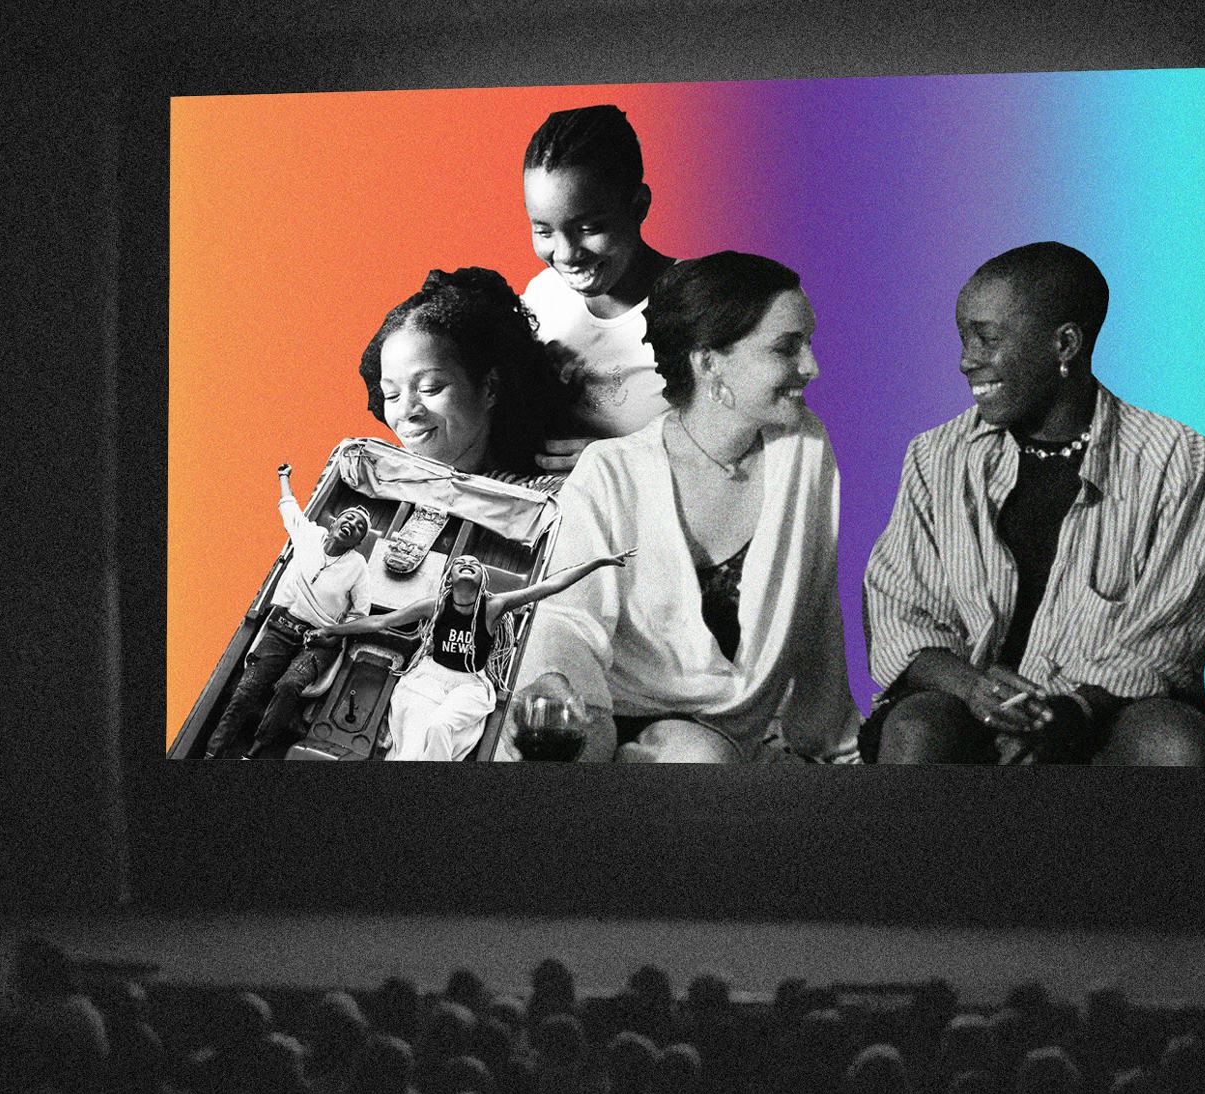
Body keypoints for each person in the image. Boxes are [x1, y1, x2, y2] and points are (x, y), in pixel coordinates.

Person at [861, 241, 1205, 765]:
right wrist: (975, 690)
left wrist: (1070, 712)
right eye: (964, 339)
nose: (967, 361)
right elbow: (902, 614)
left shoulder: (1176, 459)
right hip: (967, 709)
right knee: (918, 728)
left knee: (1171, 743)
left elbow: (1164, 633)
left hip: (1106, 713)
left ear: (1065, 344)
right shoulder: (935, 456)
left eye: (986, 338)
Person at [504, 251, 861, 763]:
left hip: (733, 738)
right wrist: (565, 702)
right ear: (708, 361)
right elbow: (566, 621)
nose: (811, 367)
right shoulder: (610, 471)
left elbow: (818, 600)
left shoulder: (804, 447)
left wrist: (834, 739)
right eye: (787, 347)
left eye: (808, 343)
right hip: (605, 717)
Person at [311, 548, 632, 761]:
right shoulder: (433, 606)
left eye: (474, 565)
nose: (467, 564)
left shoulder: (493, 607)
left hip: (470, 686)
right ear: (449, 577)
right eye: (460, 563)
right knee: (408, 751)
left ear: (483, 579)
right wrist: (332, 630)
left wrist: (598, 563)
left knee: (439, 728)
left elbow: (548, 587)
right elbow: (382, 621)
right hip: (427, 680)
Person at [521, 105, 679, 466]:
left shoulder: (707, 303)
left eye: (589, 228)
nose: (565, 254)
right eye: (543, 230)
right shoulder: (542, 299)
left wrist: (617, 462)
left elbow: (747, 453)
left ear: (639, 206)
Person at [360, 266, 584, 486]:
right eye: (391, 395)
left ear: (490, 388)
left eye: (430, 388)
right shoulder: (373, 494)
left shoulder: (554, 499)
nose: (406, 411)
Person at [204, 464, 371, 758]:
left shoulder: (358, 567)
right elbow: (288, 506)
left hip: (321, 641)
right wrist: (284, 477)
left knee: (290, 685)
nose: (353, 524)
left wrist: (332, 634)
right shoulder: (308, 535)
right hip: (283, 626)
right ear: (334, 522)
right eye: (349, 517)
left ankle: (255, 751)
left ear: (358, 542)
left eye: (360, 527)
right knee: (246, 690)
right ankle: (213, 752)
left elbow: (360, 614)